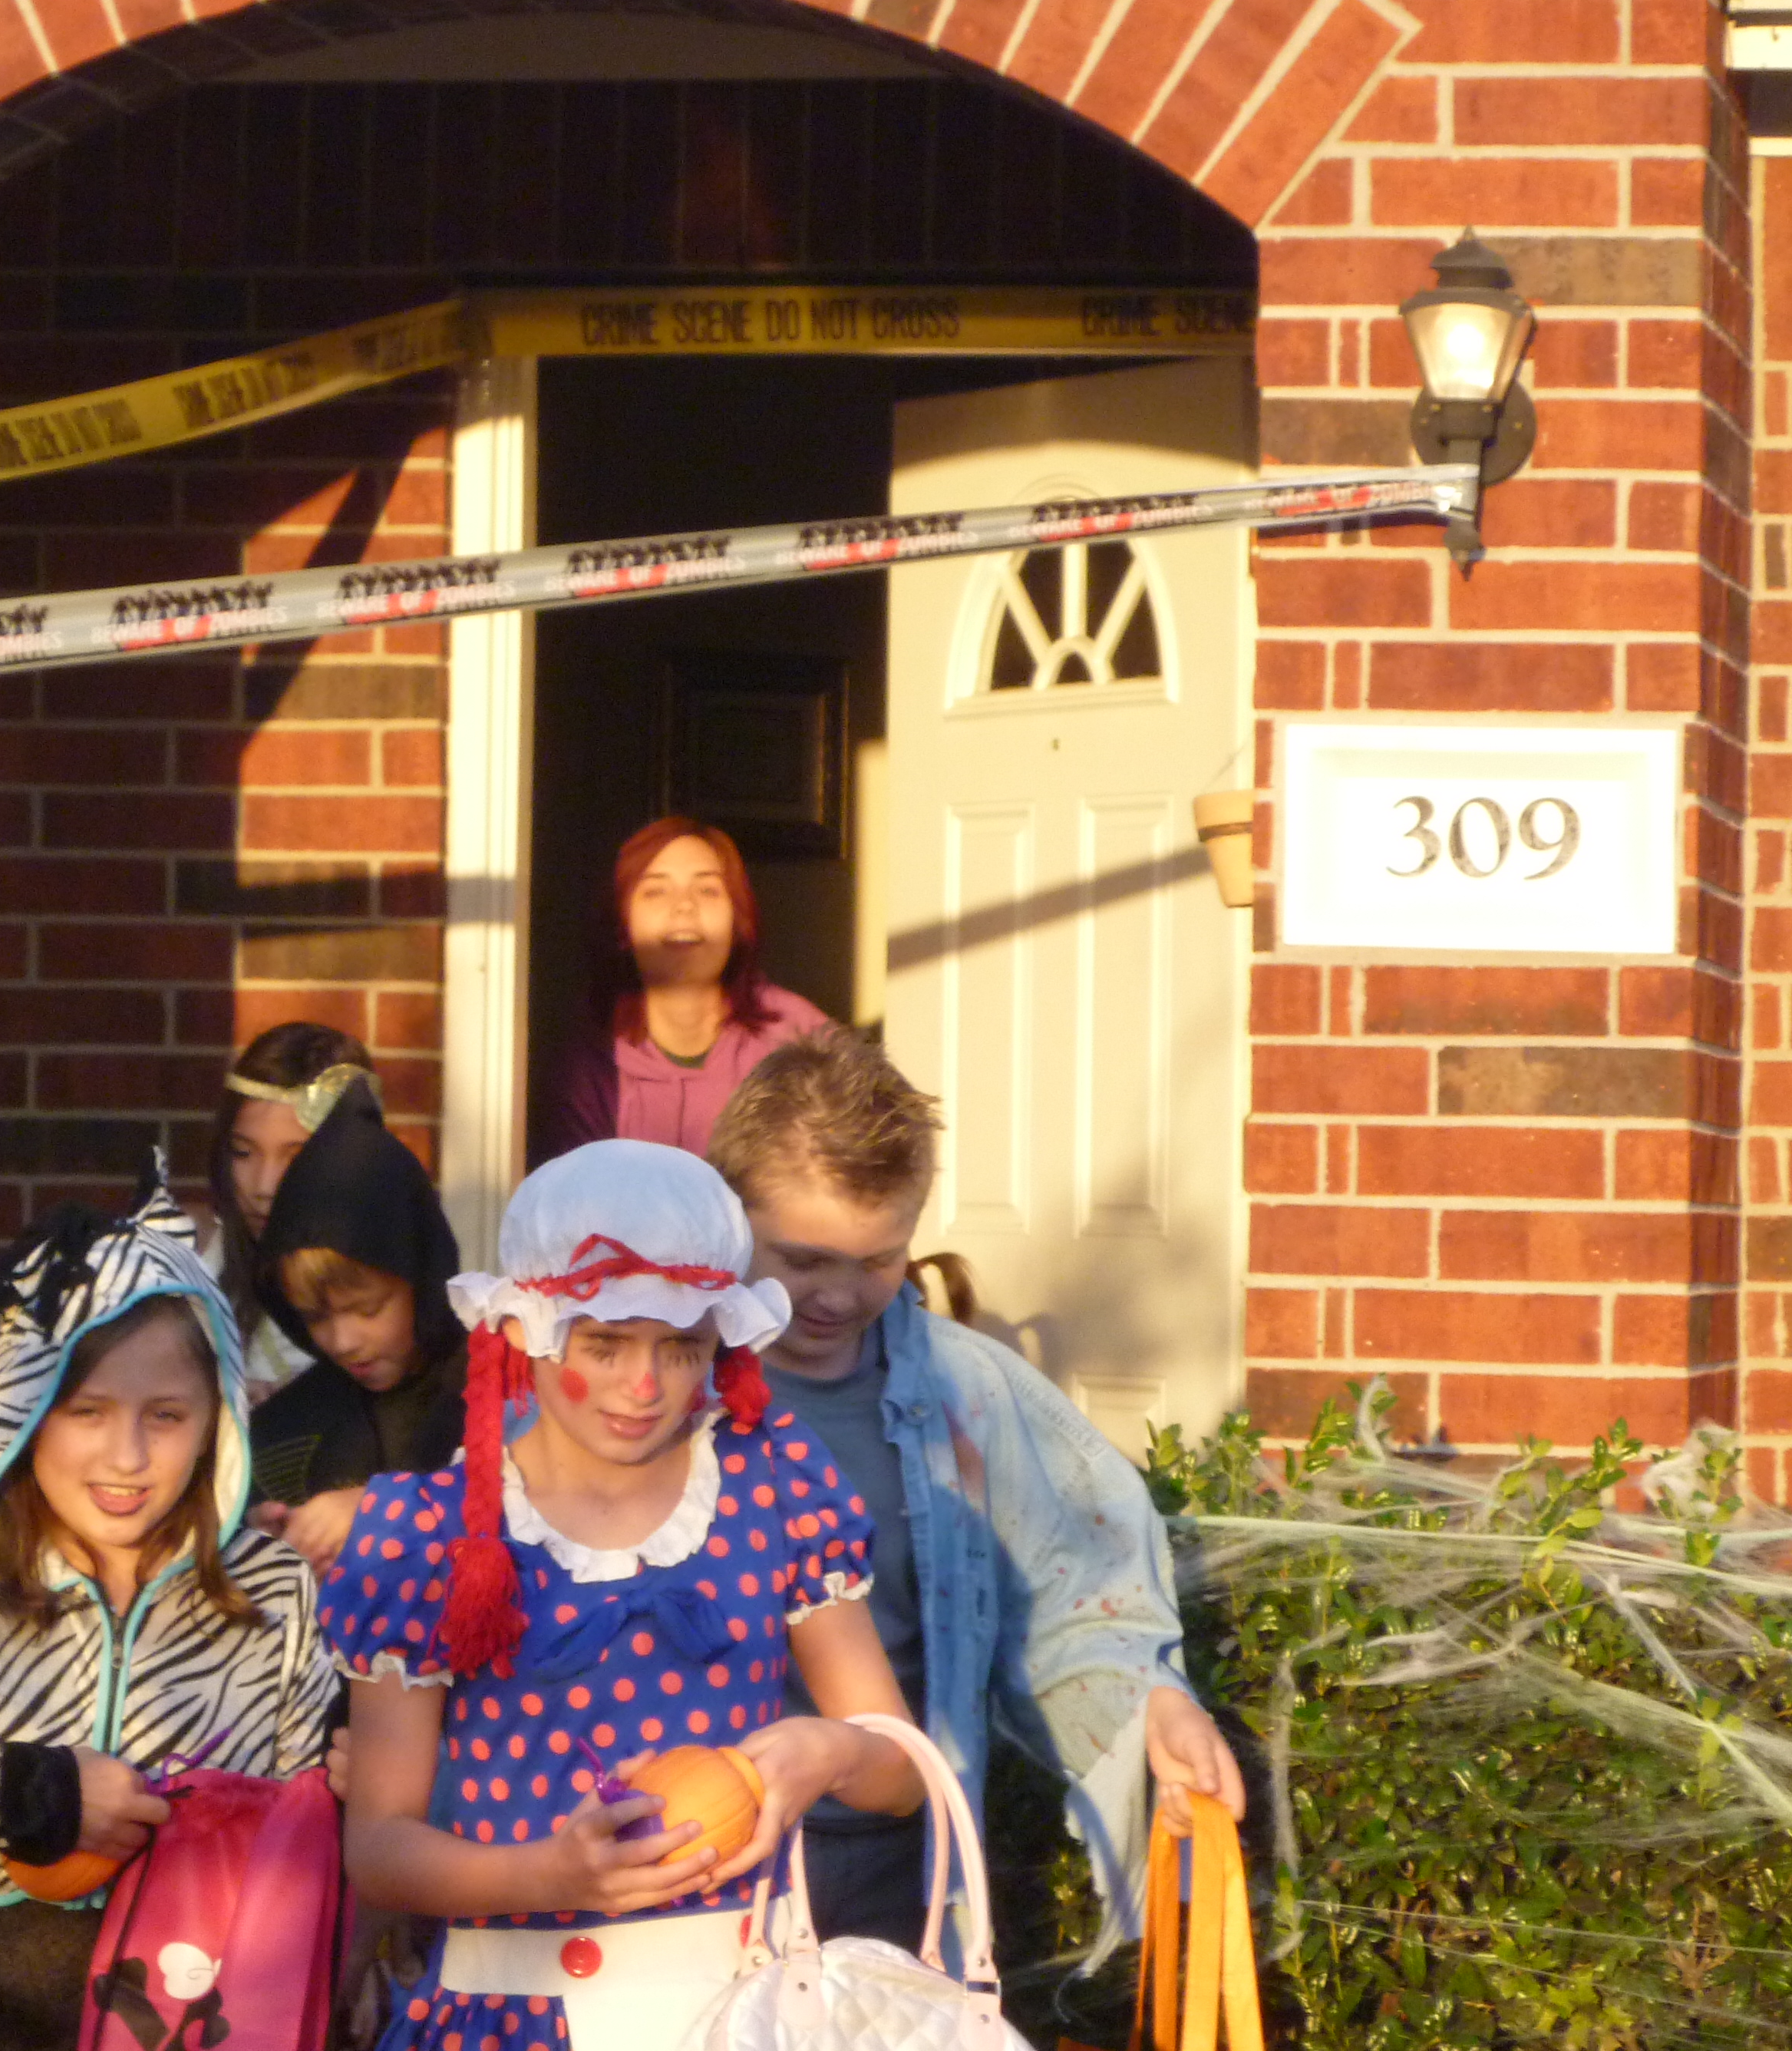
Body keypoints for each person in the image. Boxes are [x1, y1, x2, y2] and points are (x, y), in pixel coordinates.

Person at [326, 1139, 923, 2051]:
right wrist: (549, 1877)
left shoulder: (775, 1484)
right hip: (511, 2014)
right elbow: (379, 1847)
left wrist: (833, 1751)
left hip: (736, 2012)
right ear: (523, 1331)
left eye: (681, 1348)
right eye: (604, 1345)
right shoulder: (428, 1532)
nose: (644, 1387)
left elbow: (901, 1774)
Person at [708, 1026, 1248, 1957]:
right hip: (692, 1855)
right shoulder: (656, 1382)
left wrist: (1149, 1705)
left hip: (894, 1861)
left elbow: (1074, 1593)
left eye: (877, 1261)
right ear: (726, 1217)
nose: (838, 1295)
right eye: (804, 1260)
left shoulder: (971, 1395)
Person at [0, 1179, 337, 2051]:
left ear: (220, 1419)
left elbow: (308, 1845)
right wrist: (28, 1792)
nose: (128, 1455)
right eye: (87, 1412)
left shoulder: (274, 1591)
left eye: (167, 1415)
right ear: (24, 1411)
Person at [245, 1087, 468, 1574]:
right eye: (314, 1317)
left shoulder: (497, 1393)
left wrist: (387, 1512)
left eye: (367, 1309)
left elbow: (540, 1503)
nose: (343, 1342)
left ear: (421, 1278)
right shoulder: (284, 1431)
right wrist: (259, 1546)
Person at [543, 817, 830, 1162]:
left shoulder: (801, 1038)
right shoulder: (591, 1061)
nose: (684, 906)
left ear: (737, 920)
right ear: (623, 925)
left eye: (707, 890)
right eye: (656, 891)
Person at [209, 1022, 378, 1395]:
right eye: (243, 1152)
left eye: (296, 1157)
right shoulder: (194, 1270)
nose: (264, 1187)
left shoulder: (400, 1293)